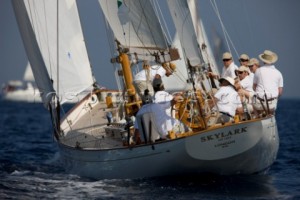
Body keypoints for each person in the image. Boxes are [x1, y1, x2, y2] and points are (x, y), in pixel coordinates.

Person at [253, 50, 283, 114]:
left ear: (263, 60)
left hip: (258, 104)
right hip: (271, 105)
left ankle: (258, 117)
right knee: (271, 109)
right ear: (272, 60)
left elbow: (254, 87)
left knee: (254, 102)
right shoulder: (278, 73)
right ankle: (268, 115)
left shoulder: (258, 71)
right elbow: (280, 92)